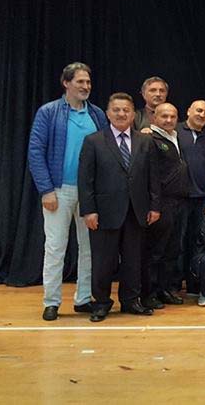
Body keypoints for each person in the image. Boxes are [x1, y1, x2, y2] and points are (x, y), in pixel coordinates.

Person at [28, 62, 109, 321]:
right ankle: (51, 302)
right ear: (66, 83)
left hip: (89, 193)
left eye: (88, 82)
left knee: (89, 248)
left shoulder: (97, 114)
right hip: (58, 190)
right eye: (80, 82)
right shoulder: (48, 112)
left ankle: (83, 299)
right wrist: (46, 190)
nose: (86, 86)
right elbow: (35, 152)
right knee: (55, 247)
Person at [78, 93, 161, 322]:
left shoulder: (145, 142)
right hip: (104, 212)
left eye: (126, 110)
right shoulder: (93, 141)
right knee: (103, 261)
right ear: (108, 113)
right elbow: (85, 180)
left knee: (134, 260)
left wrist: (155, 206)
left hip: (137, 210)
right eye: (116, 110)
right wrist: (89, 210)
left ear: (133, 115)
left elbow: (153, 177)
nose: (121, 114)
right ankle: (101, 303)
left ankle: (131, 301)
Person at [142, 103, 191, 308]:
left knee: (172, 250)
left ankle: (165, 289)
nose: (169, 120)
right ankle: (149, 293)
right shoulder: (149, 139)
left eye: (173, 116)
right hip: (161, 203)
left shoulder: (175, 137)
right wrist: (154, 205)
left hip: (179, 202)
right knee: (156, 251)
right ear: (154, 118)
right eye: (164, 116)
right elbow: (149, 174)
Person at [175, 100, 205, 295]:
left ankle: (193, 283)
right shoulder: (176, 131)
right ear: (188, 111)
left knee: (196, 242)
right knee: (178, 242)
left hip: (202, 198)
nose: (202, 115)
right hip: (180, 198)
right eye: (199, 110)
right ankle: (174, 284)